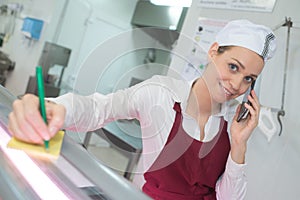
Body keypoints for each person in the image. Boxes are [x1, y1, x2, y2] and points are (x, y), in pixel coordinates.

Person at [8, 19, 276, 200]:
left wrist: (239, 145)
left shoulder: (233, 126)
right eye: (233, 67)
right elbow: (100, 107)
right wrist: (55, 108)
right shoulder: (161, 94)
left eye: (249, 79)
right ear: (214, 51)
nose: (237, 85)